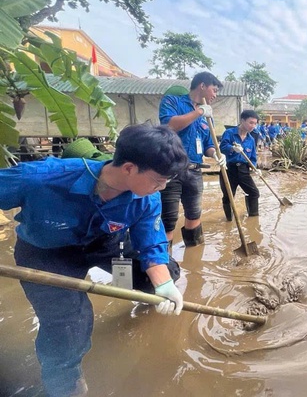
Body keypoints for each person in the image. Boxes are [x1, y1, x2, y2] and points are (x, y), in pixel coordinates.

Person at [0, 124, 188, 396]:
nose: (163, 186)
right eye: (159, 180)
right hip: (46, 253)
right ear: (129, 168)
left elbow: (151, 243)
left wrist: (163, 286)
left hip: (107, 243)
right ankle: (65, 385)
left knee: (165, 273)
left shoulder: (147, 199)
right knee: (69, 324)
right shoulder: (40, 178)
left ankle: (150, 301)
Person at [158, 72, 226, 248]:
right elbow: (170, 125)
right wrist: (199, 112)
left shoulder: (207, 115)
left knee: (194, 214)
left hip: (194, 171)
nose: (215, 95)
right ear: (202, 86)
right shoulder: (173, 101)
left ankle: (194, 261)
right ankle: (164, 263)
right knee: (168, 219)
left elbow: (208, 144)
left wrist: (216, 154)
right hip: (171, 169)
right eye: (214, 90)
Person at [219, 110, 261, 220]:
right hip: (228, 169)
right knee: (228, 197)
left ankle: (253, 218)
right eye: (251, 122)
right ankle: (229, 220)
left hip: (243, 170)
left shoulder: (251, 139)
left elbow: (252, 158)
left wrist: (254, 168)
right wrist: (232, 148)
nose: (253, 126)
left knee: (254, 193)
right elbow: (222, 148)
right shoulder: (229, 133)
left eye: (255, 123)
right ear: (242, 120)